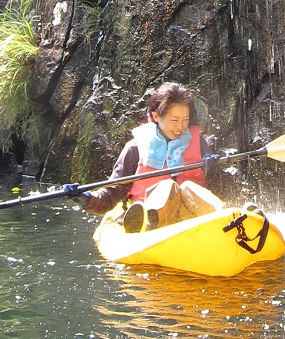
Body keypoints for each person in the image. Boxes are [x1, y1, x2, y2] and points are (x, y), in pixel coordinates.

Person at [77, 82, 223, 232]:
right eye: (174, 120)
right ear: (155, 116)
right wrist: (86, 198)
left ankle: (228, 218)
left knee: (187, 187)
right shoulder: (135, 149)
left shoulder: (199, 143)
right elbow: (110, 196)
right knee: (168, 186)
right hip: (152, 223)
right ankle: (146, 222)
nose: (181, 126)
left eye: (185, 119)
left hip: (191, 218)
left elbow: (217, 186)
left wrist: (214, 170)